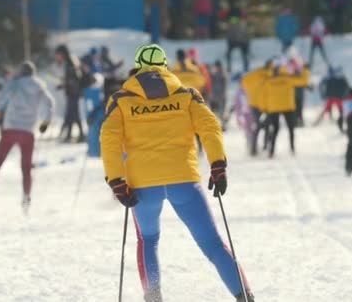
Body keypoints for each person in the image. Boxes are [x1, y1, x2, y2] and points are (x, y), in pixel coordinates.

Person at [101, 43, 254, 302]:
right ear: (165, 68)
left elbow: (109, 139)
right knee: (214, 245)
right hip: (184, 179)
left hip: (142, 185)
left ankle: (154, 297)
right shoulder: (186, 95)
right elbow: (210, 126)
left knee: (147, 240)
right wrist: (217, 164)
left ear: (137, 68)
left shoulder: (121, 100)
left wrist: (116, 180)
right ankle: (244, 297)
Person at [0, 61, 54, 212]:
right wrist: (45, 122)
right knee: (26, 167)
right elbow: (49, 103)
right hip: (28, 131)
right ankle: (26, 196)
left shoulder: (14, 83)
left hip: (11, 128)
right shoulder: (39, 85)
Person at [262, 60, 311, 157]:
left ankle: (271, 151)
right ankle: (292, 149)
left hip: (273, 108)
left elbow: (263, 95)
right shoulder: (288, 78)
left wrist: (264, 107)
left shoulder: (268, 80)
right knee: (291, 128)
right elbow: (303, 81)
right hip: (287, 107)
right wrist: (305, 69)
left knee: (274, 129)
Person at [55, 44, 85, 143]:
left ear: (62, 53)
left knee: (72, 114)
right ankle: (72, 135)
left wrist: (63, 85)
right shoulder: (71, 61)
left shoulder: (69, 63)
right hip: (73, 92)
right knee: (72, 114)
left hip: (73, 93)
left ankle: (76, 135)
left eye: (58, 54)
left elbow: (73, 79)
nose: (57, 56)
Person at [83, 73, 105, 157]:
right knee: (94, 134)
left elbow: (89, 105)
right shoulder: (95, 91)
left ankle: (95, 152)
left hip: (95, 116)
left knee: (94, 134)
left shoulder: (91, 91)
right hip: (96, 116)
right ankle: (95, 152)